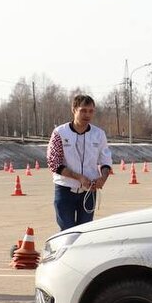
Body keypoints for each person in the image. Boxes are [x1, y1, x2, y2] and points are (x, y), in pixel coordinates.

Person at [47, 94, 113, 231]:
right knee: (67, 231)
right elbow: (54, 163)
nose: (87, 114)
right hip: (65, 190)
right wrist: (79, 177)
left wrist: (103, 177)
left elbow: (105, 159)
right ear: (74, 109)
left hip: (89, 191)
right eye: (83, 110)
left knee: (85, 231)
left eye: (91, 111)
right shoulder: (60, 133)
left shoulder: (99, 134)